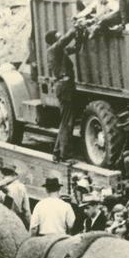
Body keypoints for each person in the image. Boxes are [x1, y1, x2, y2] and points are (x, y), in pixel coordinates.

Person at [45, 25, 82, 162]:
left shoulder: (59, 51)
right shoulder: (54, 49)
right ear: (53, 40)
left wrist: (79, 38)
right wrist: (74, 29)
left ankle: (57, 152)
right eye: (58, 36)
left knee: (65, 121)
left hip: (64, 85)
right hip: (64, 86)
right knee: (67, 121)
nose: (61, 37)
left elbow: (76, 48)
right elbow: (65, 41)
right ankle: (65, 155)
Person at [0, 162, 31, 228]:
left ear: (2, 174)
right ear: (14, 175)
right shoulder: (21, 187)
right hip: (15, 221)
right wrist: (29, 225)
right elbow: (26, 210)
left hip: (0, 221)